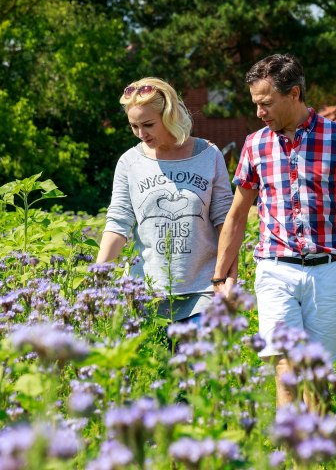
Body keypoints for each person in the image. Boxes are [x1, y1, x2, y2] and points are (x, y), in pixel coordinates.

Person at [212, 54, 336, 407]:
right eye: (255, 104)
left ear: (294, 94)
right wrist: (220, 280)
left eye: (266, 103)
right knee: (286, 368)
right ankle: (288, 455)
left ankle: (314, 458)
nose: (259, 112)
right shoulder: (255, 144)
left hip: (326, 272)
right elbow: (237, 215)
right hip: (275, 269)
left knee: (317, 376)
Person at [96, 77, 235, 323]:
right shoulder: (130, 162)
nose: (141, 134)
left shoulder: (209, 155)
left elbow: (226, 221)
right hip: (145, 294)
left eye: (148, 124)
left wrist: (227, 278)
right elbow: (118, 222)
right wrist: (98, 275)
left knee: (201, 362)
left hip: (203, 292)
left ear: (169, 115)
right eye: (134, 126)